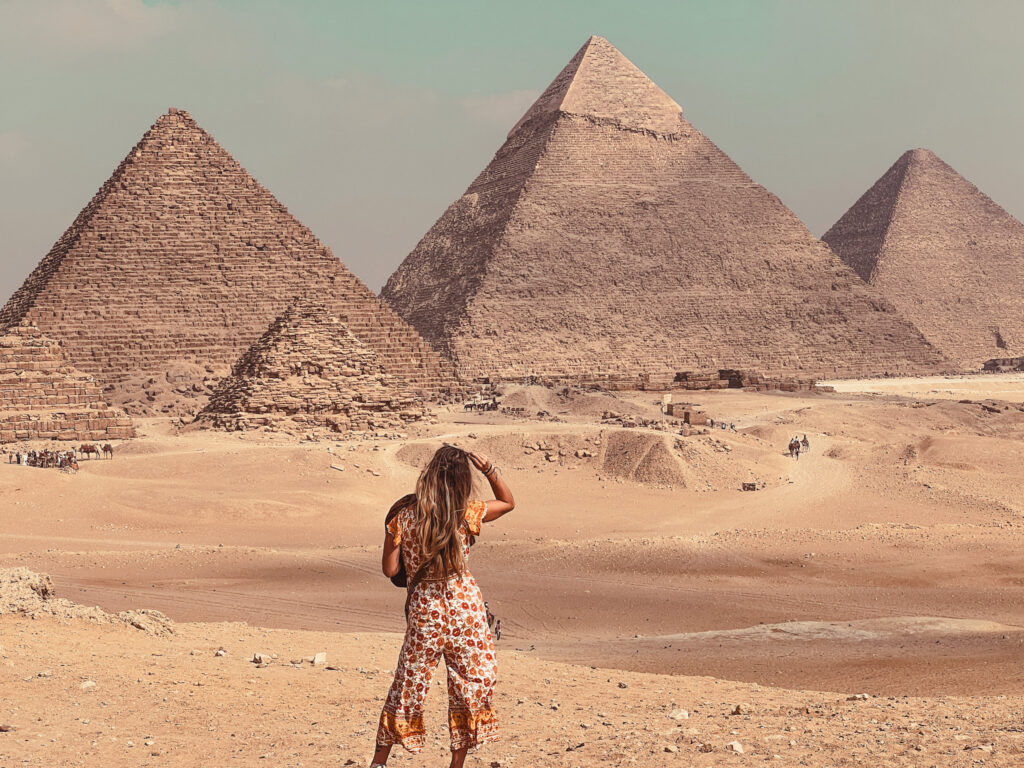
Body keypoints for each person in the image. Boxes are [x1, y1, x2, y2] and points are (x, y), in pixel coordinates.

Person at [372, 445, 515, 768]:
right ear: (462, 480)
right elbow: (508, 502)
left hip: (426, 613)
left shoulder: (403, 516)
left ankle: (379, 763)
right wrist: (490, 468)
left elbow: (390, 570)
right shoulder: (467, 512)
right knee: (470, 684)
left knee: (407, 683)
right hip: (465, 610)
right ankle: (456, 764)